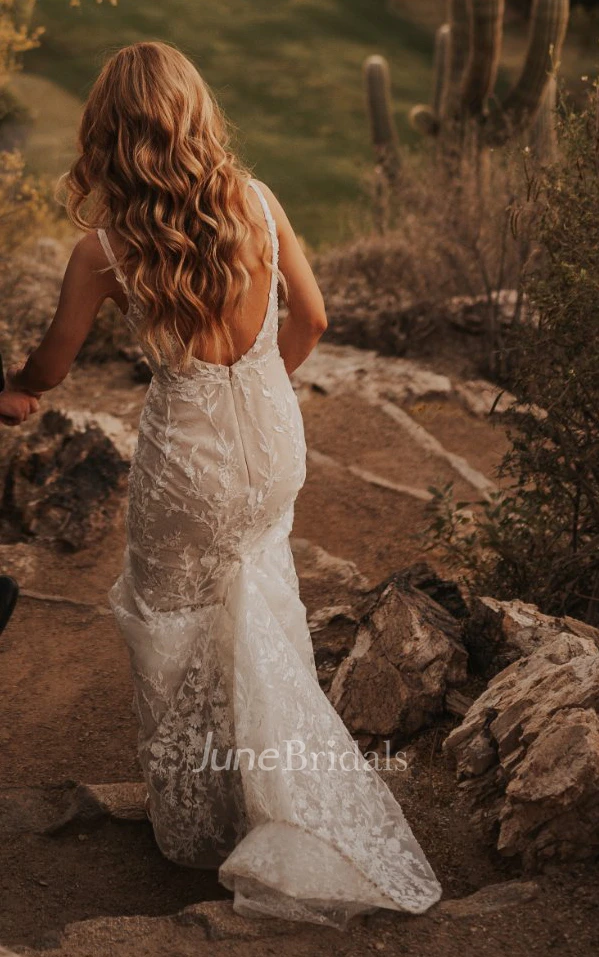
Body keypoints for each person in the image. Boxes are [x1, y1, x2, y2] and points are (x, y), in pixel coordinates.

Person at [7, 41, 442, 930]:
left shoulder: (105, 247)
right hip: (272, 442)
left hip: (188, 461)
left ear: (111, 134)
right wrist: (260, 384)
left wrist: (17, 388)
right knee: (259, 604)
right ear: (195, 115)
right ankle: (269, 796)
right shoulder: (259, 200)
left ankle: (203, 825)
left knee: (174, 624)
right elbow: (314, 318)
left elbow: (54, 360)